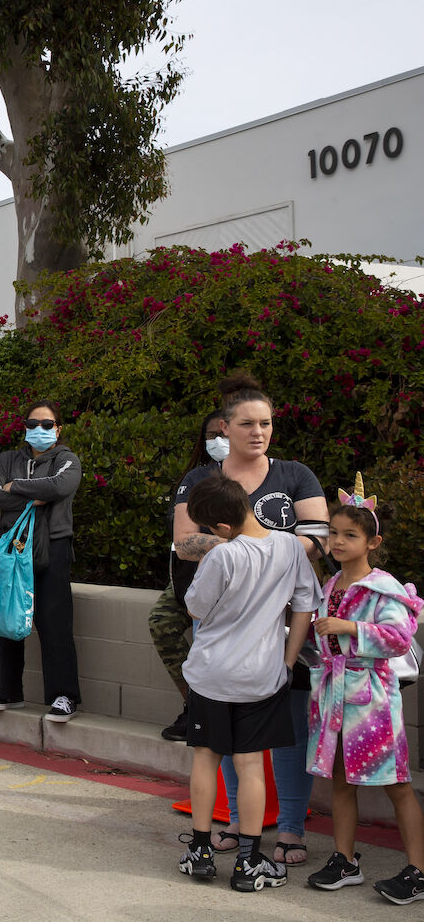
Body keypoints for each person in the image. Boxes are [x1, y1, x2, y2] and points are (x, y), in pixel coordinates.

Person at [173, 374, 327, 864]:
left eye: (266, 423)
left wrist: (244, 555)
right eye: (247, 423)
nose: (258, 432)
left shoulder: (296, 473)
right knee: (232, 738)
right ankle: (241, 825)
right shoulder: (202, 479)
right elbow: (184, 542)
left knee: (288, 730)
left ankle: (291, 829)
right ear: (225, 426)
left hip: (288, 631)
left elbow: (320, 537)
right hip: (224, 625)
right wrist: (257, 553)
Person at [304, 481, 424, 904]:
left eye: (349, 535)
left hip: (372, 702)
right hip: (334, 695)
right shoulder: (331, 583)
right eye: (333, 533)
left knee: (397, 783)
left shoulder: (384, 588)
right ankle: (345, 859)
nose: (337, 541)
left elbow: (398, 637)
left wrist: (351, 627)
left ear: (373, 542)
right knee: (340, 780)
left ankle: (418, 870)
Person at [0, 400, 84, 722]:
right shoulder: (8, 458)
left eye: (46, 425)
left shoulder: (66, 459)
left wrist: (17, 486)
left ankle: (63, 696)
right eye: (32, 424)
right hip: (12, 547)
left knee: (54, 624)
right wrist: (32, 494)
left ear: (58, 428)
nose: (38, 430)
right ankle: (9, 691)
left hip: (52, 547)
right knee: (6, 616)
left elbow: (60, 486)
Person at [151, 410, 225, 741]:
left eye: (225, 433)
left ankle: (213, 711)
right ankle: (193, 703)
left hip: (239, 583)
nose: (219, 441)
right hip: (191, 578)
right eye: (212, 435)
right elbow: (181, 536)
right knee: (161, 623)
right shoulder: (194, 479)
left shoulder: (265, 477)